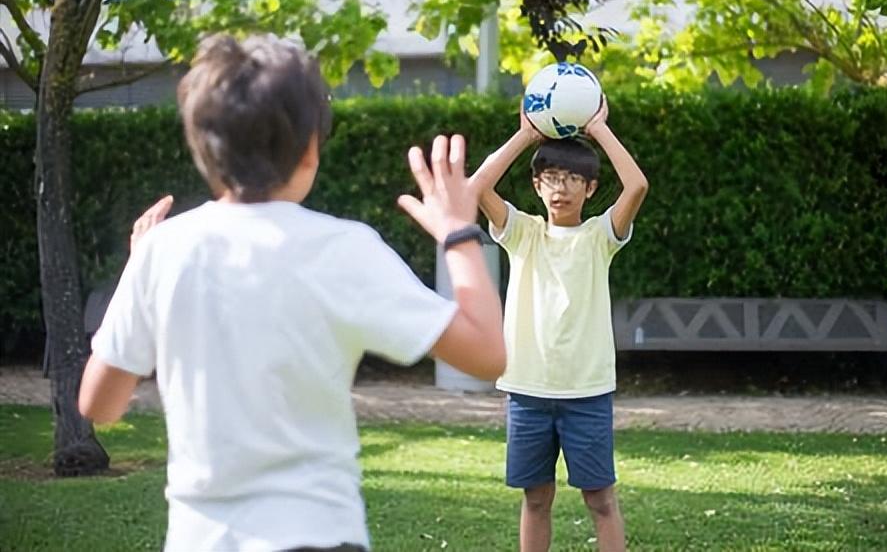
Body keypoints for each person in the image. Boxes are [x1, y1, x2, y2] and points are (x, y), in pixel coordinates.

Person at [77, 34, 505, 552]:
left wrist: (140, 266)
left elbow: (99, 404)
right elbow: (486, 356)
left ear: (203, 151)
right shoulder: (345, 248)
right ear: (309, 148)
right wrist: (458, 232)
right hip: (321, 534)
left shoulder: (164, 249)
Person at [470, 97, 648, 552]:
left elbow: (636, 186)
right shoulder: (522, 233)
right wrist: (527, 135)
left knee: (601, 499)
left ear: (589, 189)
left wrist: (599, 129)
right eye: (550, 178)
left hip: (586, 392)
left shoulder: (598, 238)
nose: (560, 188)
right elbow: (476, 188)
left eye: (571, 179)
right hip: (528, 391)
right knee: (535, 499)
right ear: (536, 184)